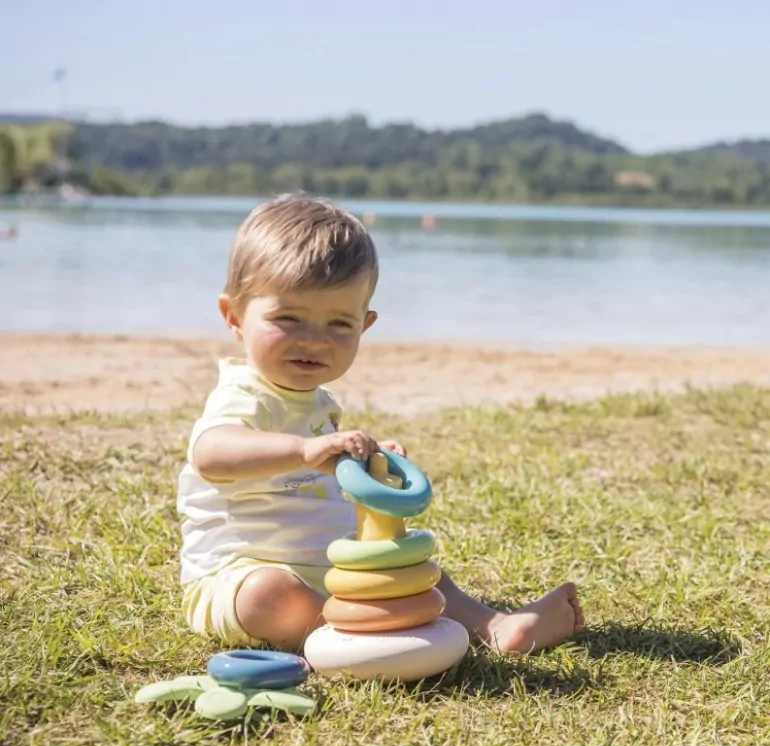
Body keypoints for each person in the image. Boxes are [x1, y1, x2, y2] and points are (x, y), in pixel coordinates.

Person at [177, 194, 583, 654]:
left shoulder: (318, 401)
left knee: (412, 566)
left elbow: (323, 475)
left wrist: (369, 465)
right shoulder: (244, 394)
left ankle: (495, 625)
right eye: (287, 318)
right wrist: (303, 450)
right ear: (234, 316)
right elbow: (212, 454)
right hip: (239, 576)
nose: (314, 340)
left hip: (328, 566)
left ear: (364, 326)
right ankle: (356, 635)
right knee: (268, 597)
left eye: (339, 325)